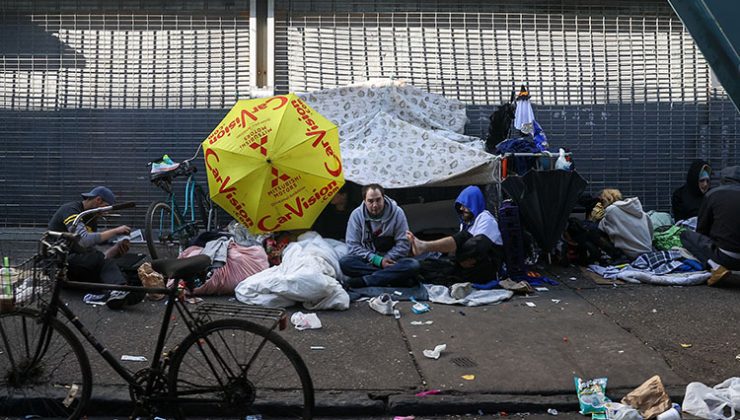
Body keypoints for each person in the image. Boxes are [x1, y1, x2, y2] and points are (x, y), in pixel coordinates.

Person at [48, 186, 139, 309]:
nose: (105, 213)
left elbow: (90, 248)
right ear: (98, 200)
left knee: (116, 270)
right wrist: (115, 231)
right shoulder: (71, 210)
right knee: (101, 260)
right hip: (60, 264)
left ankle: (113, 294)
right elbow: (84, 241)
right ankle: (118, 290)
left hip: (75, 264)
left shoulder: (91, 218)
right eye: (106, 208)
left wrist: (116, 248)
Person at [406, 185, 504, 284]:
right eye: (460, 206)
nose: (462, 209)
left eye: (466, 205)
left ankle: (424, 246)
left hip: (486, 267)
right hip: (466, 266)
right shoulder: (466, 224)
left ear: (474, 203)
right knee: (425, 266)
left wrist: (458, 258)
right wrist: (458, 259)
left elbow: (477, 246)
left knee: (464, 237)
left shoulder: (485, 218)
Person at [339, 184, 420, 288]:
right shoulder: (356, 215)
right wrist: (377, 260)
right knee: (345, 263)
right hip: (369, 260)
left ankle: (365, 281)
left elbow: (403, 243)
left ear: (383, 198)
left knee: (413, 265)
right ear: (364, 200)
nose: (375, 205)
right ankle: (394, 278)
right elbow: (352, 246)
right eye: (370, 201)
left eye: (378, 200)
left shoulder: (397, 213)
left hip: (392, 260)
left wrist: (387, 259)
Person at [680, 166, 740, 286]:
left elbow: (702, 230)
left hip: (725, 257)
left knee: (685, 235)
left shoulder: (713, 194)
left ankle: (716, 267)